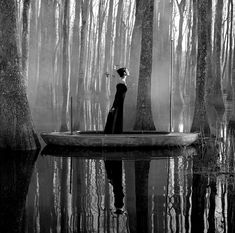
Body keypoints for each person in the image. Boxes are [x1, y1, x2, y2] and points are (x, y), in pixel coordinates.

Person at [104, 67, 129, 134]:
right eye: (126, 71)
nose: (128, 72)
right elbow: (118, 96)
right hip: (118, 102)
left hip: (120, 102)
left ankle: (115, 131)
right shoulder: (121, 82)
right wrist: (114, 106)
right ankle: (113, 131)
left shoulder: (122, 81)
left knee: (117, 115)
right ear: (124, 73)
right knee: (116, 114)